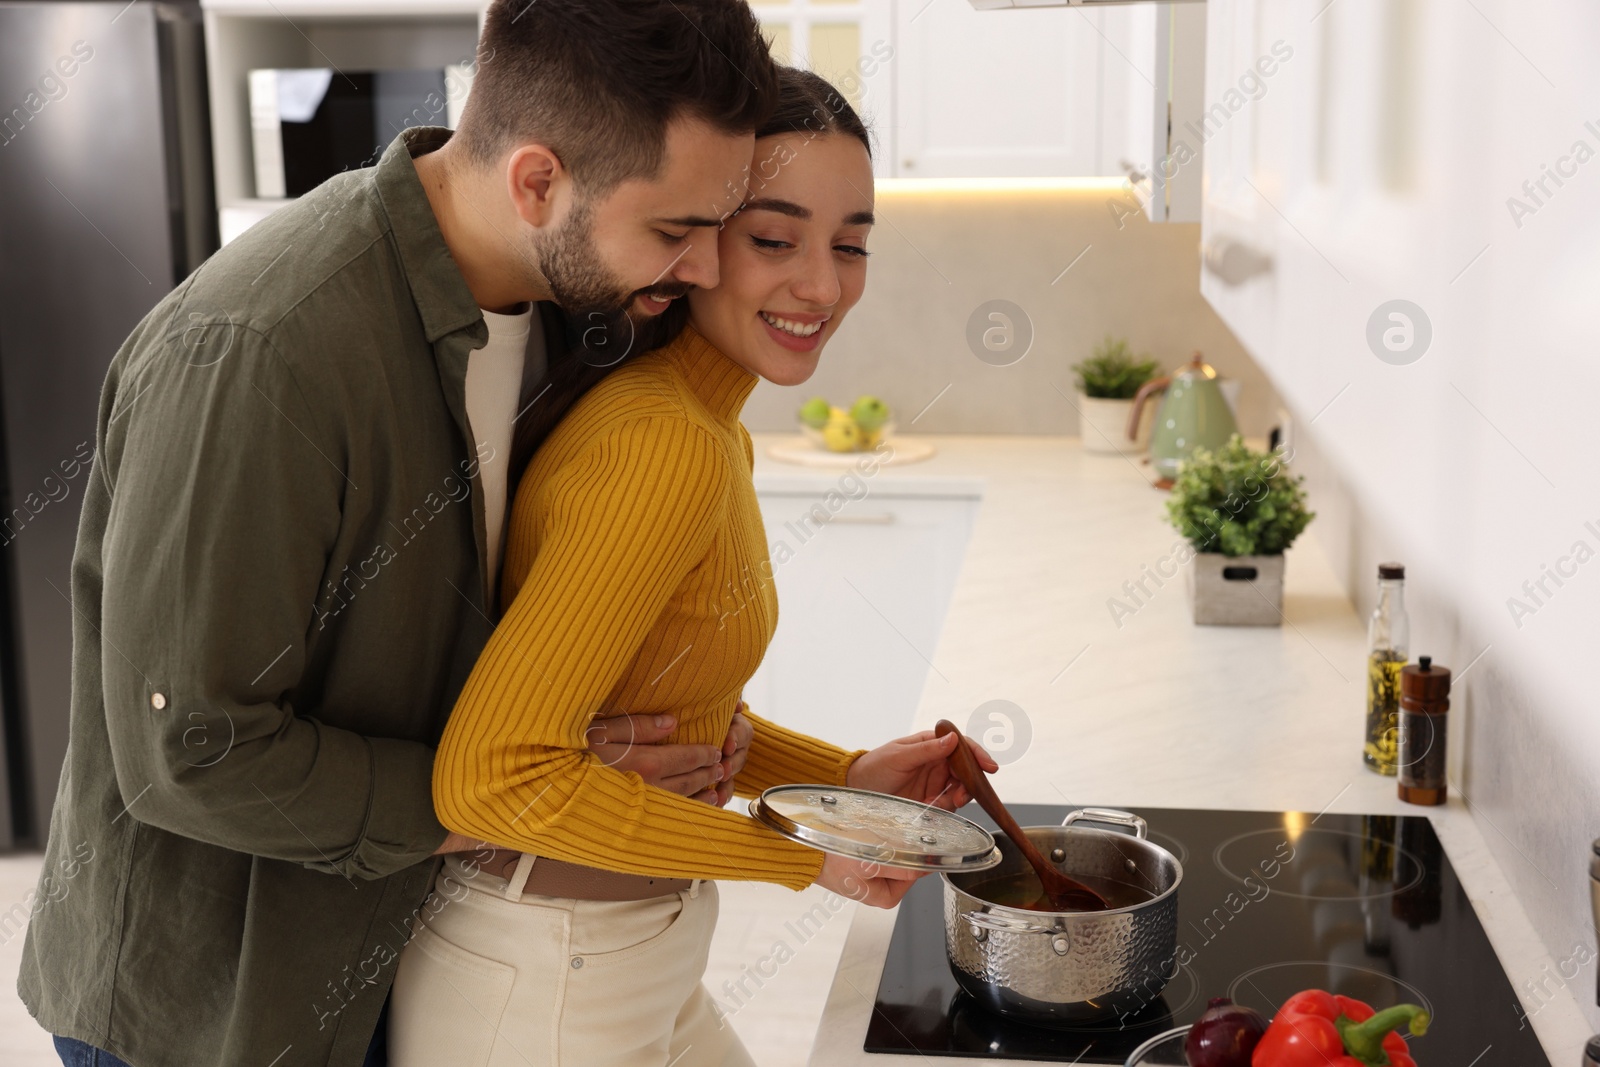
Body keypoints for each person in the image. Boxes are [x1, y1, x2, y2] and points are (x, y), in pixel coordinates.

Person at [17, 3, 785, 1065]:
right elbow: (190, 753)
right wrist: (497, 789)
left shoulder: (576, 311)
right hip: (210, 1013)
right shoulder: (263, 351)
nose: (705, 268)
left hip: (401, 947)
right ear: (536, 181)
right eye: (674, 229)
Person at [387, 68, 997, 1067]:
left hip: (626, 962)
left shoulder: (703, 422)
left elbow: (662, 702)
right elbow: (490, 780)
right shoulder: (660, 442)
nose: (822, 284)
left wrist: (839, 780)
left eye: (850, 245)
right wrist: (808, 852)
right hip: (541, 988)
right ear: (697, 239)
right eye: (773, 238)